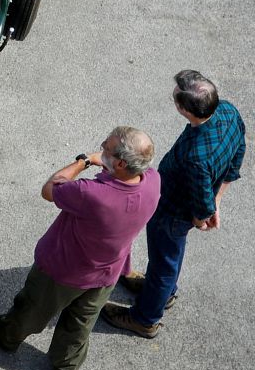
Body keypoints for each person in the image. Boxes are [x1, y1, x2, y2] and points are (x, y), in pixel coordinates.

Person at [0, 128, 160, 370]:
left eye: (106, 147)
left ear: (120, 164)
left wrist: (83, 161)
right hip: (108, 273)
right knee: (79, 325)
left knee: (31, 311)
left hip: (63, 271)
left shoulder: (90, 193)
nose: (102, 145)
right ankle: (65, 367)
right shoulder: (153, 181)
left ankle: (6, 336)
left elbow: (49, 189)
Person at [104, 72, 244, 339]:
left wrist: (204, 214)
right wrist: (218, 198)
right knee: (169, 259)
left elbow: (201, 202)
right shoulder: (227, 110)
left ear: (184, 110)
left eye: (176, 97)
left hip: (172, 211)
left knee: (163, 263)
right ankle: (163, 293)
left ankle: (145, 319)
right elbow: (238, 153)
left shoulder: (196, 157)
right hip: (181, 205)